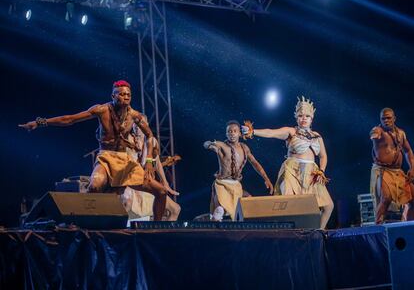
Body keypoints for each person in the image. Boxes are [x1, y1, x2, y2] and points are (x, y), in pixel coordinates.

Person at [19, 80, 177, 221]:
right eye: (121, 94)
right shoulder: (102, 110)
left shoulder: (135, 116)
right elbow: (70, 119)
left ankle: (155, 228)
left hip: (126, 162)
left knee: (161, 192)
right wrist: (40, 122)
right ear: (113, 96)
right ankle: (83, 223)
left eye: (128, 94)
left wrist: (149, 160)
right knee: (94, 187)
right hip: (106, 158)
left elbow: (150, 136)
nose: (126, 97)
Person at [242, 96, 333, 229]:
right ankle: (287, 233)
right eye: (301, 115)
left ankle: (318, 232)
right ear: (297, 117)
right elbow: (271, 133)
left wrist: (321, 171)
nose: (304, 118)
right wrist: (253, 131)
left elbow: (323, 156)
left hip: (312, 173)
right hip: (292, 169)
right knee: (289, 203)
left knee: (328, 206)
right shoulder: (291, 131)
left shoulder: (317, 136)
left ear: (311, 118)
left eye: (307, 116)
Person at [204, 120, 273, 221]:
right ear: (226, 133)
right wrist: (210, 145)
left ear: (240, 133)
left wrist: (266, 178)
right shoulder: (221, 145)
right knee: (219, 210)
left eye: (235, 131)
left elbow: (255, 163)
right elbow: (206, 143)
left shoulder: (244, 148)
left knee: (248, 200)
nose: (232, 133)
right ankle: (215, 224)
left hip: (236, 185)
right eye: (229, 131)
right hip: (222, 184)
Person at [123, 117, 181, 221]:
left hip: (147, 183)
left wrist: (165, 183)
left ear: (147, 125)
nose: (139, 127)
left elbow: (156, 162)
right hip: (132, 182)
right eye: (136, 125)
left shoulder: (152, 141)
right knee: (126, 203)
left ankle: (159, 235)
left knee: (176, 209)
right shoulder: (128, 139)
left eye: (141, 124)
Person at [370, 108, 414, 224]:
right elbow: (374, 133)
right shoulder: (378, 131)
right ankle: (378, 225)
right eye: (383, 118)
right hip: (383, 170)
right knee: (386, 198)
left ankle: (409, 225)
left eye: (388, 118)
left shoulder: (401, 133)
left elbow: (408, 151)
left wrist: (412, 168)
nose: (386, 120)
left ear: (394, 118)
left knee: (412, 197)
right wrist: (374, 134)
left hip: (397, 172)